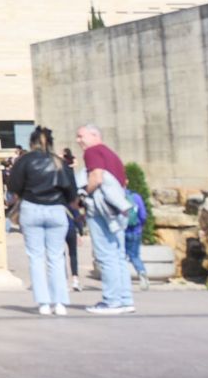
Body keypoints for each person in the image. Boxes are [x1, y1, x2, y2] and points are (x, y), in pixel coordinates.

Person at [7, 126, 78, 316]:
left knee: (36, 257)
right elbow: (72, 191)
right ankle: (60, 303)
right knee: (56, 257)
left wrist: (24, 194)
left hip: (32, 207)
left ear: (32, 142)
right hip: (56, 209)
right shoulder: (59, 162)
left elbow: (14, 185)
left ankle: (43, 303)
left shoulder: (25, 161)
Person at [76, 124, 135, 315]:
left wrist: (83, 194)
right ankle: (125, 299)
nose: (78, 141)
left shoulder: (93, 152)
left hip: (101, 211)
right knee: (118, 256)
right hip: (118, 210)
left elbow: (96, 177)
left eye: (81, 136)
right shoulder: (111, 154)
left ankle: (111, 301)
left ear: (94, 135)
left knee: (105, 255)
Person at [61, 148, 84, 291]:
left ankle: (63, 279)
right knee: (73, 253)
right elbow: (76, 214)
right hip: (71, 227)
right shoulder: (72, 200)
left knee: (60, 254)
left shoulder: (57, 201)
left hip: (59, 227)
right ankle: (75, 279)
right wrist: (80, 232)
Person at [123, 186, 151, 292]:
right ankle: (142, 272)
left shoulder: (118, 195)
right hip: (136, 230)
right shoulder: (136, 197)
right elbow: (143, 215)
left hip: (122, 231)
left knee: (121, 257)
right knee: (135, 256)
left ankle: (123, 280)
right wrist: (141, 226)